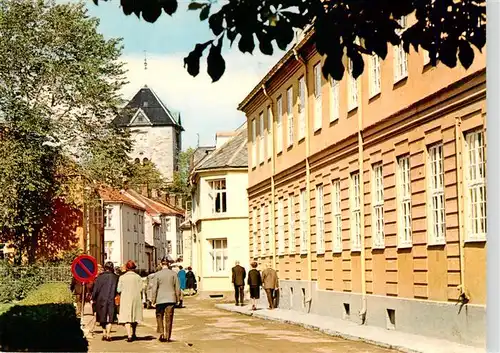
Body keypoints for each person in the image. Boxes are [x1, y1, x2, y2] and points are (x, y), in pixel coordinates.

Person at [151, 258, 181, 343]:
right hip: (171, 299)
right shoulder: (174, 274)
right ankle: (168, 336)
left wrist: (153, 300)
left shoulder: (157, 274)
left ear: (161, 264)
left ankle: (162, 333)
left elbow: (154, 289)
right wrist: (178, 299)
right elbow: (177, 287)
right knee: (169, 318)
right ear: (168, 264)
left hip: (160, 299)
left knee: (159, 315)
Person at [117, 260, 144, 342]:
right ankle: (134, 333)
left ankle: (129, 335)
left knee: (126, 317)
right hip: (136, 298)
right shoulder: (138, 277)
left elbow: (118, 289)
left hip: (126, 298)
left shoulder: (122, 277)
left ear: (127, 268)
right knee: (135, 316)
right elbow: (141, 288)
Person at [91, 261, 119, 341]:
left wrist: (93, 298)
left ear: (105, 268)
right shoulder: (116, 277)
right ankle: (108, 334)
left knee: (102, 316)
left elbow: (95, 289)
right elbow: (118, 289)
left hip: (101, 299)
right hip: (111, 299)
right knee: (110, 317)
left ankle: (104, 333)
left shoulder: (99, 277)